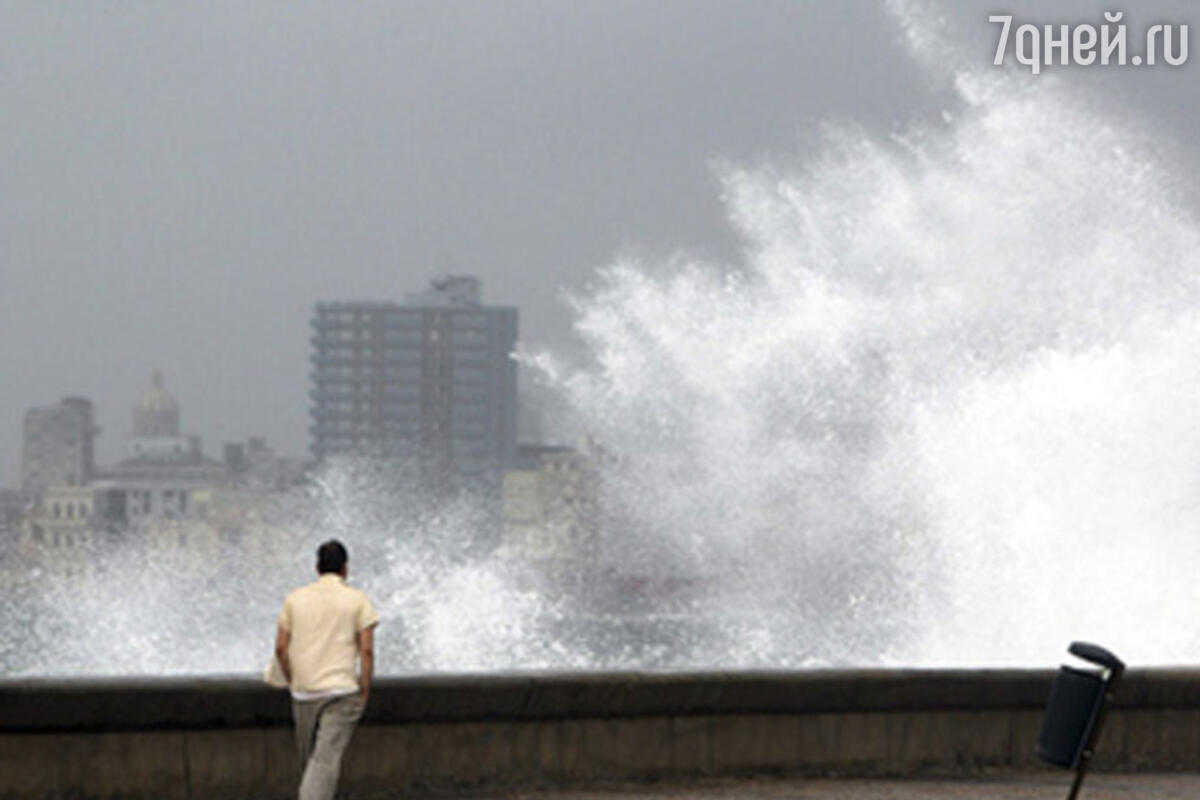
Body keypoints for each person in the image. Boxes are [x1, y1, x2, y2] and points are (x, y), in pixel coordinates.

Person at [274, 540, 379, 800]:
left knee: (313, 761)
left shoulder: (295, 599)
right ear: (345, 569)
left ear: (317, 566)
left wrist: (292, 679)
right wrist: (365, 687)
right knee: (323, 762)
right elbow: (366, 650)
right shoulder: (358, 600)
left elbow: (280, 648)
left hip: (304, 692)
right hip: (341, 690)